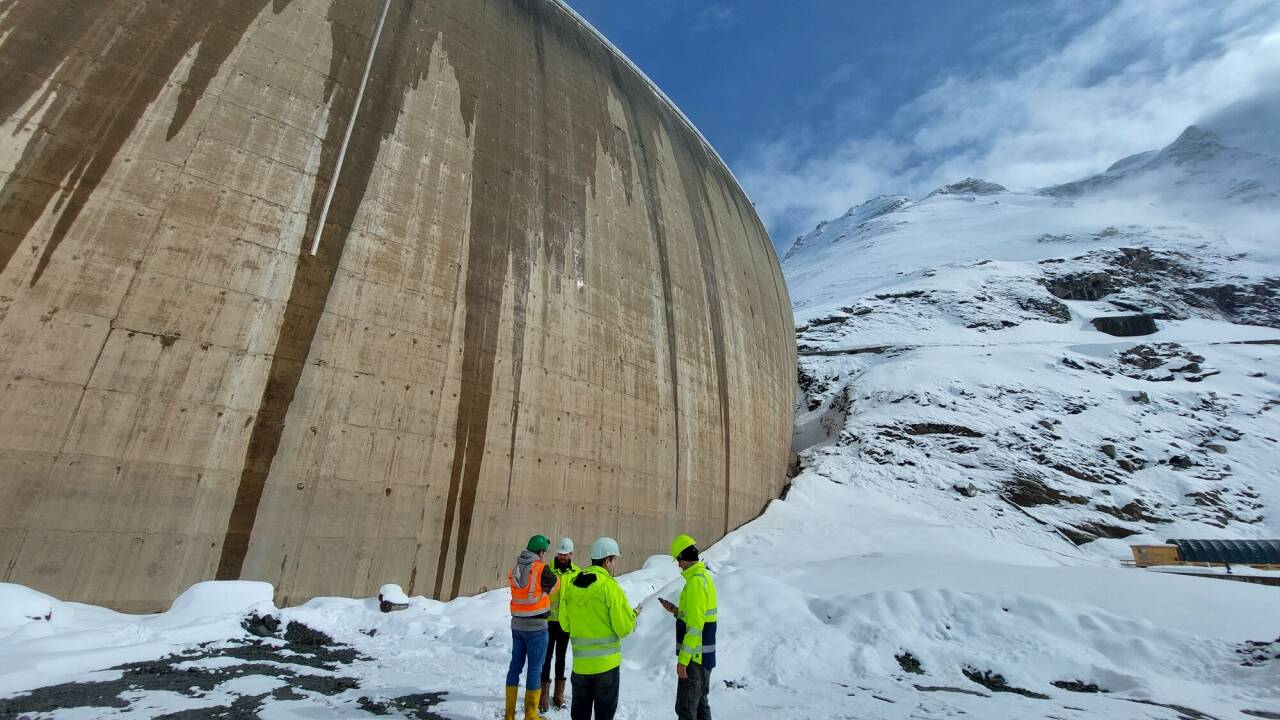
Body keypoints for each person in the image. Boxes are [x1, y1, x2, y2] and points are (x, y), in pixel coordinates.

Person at [558, 537, 639, 720]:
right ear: (606, 560)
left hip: (580, 667)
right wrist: (633, 619)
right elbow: (624, 628)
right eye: (613, 560)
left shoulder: (572, 586)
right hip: (606, 667)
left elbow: (565, 624)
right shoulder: (609, 587)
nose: (613, 565)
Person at [664, 534, 718, 720]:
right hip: (703, 656)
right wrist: (678, 612)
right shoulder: (703, 578)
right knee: (701, 705)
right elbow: (697, 616)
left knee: (685, 709)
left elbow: (695, 626)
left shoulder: (695, 583)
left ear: (683, 558)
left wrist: (683, 660)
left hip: (695, 658)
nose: (678, 565)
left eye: (678, 561)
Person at [506, 534, 560, 720]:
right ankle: (530, 715)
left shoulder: (515, 568)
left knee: (515, 667)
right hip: (536, 627)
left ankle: (509, 714)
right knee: (534, 669)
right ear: (541, 551)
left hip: (517, 625)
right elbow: (554, 587)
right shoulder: (541, 568)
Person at [540, 537, 579, 712]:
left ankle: (558, 695)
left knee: (561, 658)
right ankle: (543, 696)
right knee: (546, 658)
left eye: (566, 554)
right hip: (548, 621)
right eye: (560, 554)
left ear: (571, 554)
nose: (563, 557)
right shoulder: (548, 569)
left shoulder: (577, 573)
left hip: (565, 623)